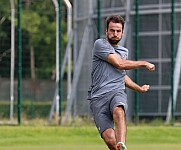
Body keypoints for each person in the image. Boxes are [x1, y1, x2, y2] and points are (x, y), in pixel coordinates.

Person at [87, 15, 155, 150]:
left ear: (122, 33)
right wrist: (143, 63)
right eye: (112, 30)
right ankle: (117, 146)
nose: (115, 34)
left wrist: (138, 88)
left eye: (118, 31)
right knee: (109, 138)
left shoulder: (124, 51)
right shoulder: (100, 44)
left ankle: (122, 144)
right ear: (106, 31)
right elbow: (119, 64)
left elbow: (121, 76)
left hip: (116, 92)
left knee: (119, 110)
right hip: (98, 98)